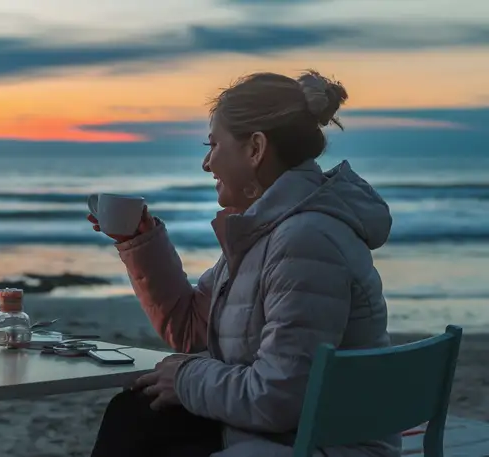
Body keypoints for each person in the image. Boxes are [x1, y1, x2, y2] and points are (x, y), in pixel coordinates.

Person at [87, 70, 401, 457]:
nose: (206, 163)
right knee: (136, 411)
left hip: (318, 444)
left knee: (140, 422)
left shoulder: (304, 241)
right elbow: (190, 330)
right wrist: (139, 242)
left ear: (255, 149)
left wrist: (185, 377)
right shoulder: (266, 230)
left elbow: (278, 397)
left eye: (214, 144)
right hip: (278, 432)